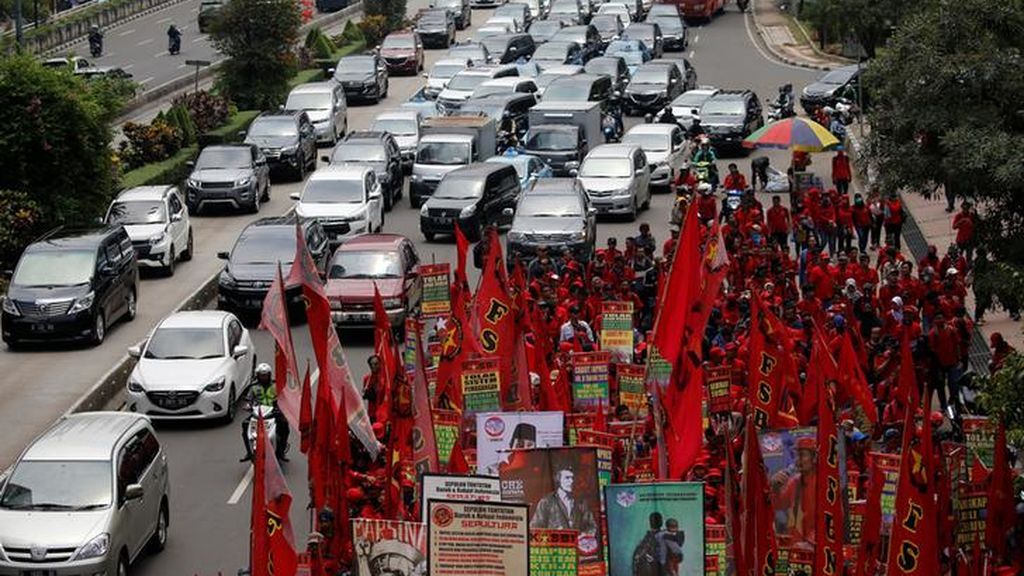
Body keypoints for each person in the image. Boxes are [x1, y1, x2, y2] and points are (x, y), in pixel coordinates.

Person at [241, 363, 290, 462]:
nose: (264, 377)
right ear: (258, 375)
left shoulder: (276, 385)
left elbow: (283, 397)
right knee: (245, 424)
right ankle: (249, 452)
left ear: (269, 375)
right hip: (258, 414)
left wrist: (282, 405)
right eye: (262, 375)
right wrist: (248, 406)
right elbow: (249, 399)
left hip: (274, 412)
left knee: (284, 425)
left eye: (266, 375)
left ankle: (281, 451)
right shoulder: (253, 387)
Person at [530, 466, 599, 535]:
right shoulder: (547, 502)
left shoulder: (581, 503)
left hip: (577, 541)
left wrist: (584, 536)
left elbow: (592, 526)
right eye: (567, 478)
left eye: (572, 478)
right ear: (558, 479)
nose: (571, 481)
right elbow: (534, 528)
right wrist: (552, 534)